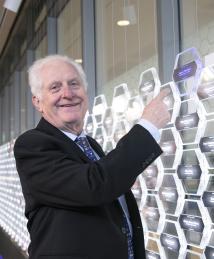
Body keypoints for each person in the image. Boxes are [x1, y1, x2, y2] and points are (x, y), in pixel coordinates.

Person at [14, 55, 170, 259]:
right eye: (55, 88)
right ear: (38, 102)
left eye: (74, 84)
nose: (67, 94)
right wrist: (148, 127)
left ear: (85, 94)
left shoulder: (90, 145)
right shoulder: (32, 145)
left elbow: (108, 186)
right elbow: (94, 185)